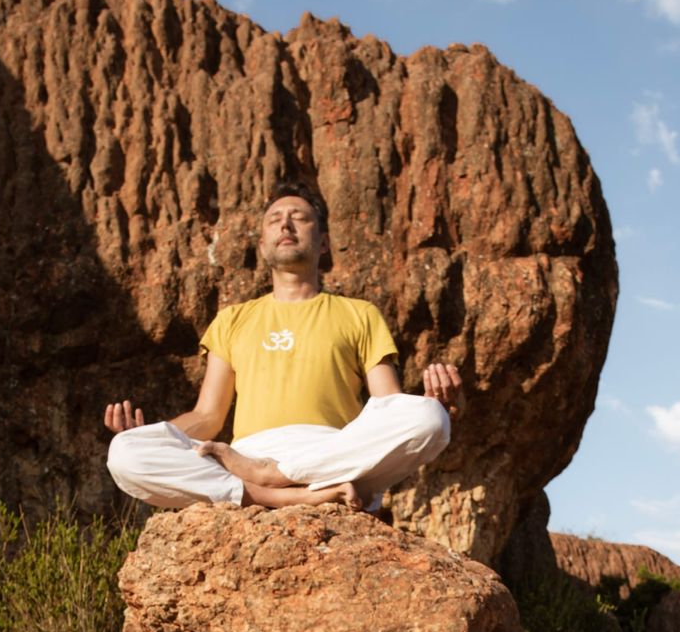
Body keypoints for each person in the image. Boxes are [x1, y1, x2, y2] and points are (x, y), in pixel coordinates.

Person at [103, 182, 460, 512]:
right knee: (125, 452)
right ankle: (275, 493)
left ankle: (281, 477)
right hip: (248, 456)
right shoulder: (233, 320)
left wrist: (434, 404)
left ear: (323, 243)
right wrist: (153, 435)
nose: (286, 226)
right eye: (275, 220)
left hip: (335, 453)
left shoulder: (359, 314)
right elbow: (208, 417)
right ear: (262, 245)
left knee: (429, 419)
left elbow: (387, 404)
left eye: (300, 218)